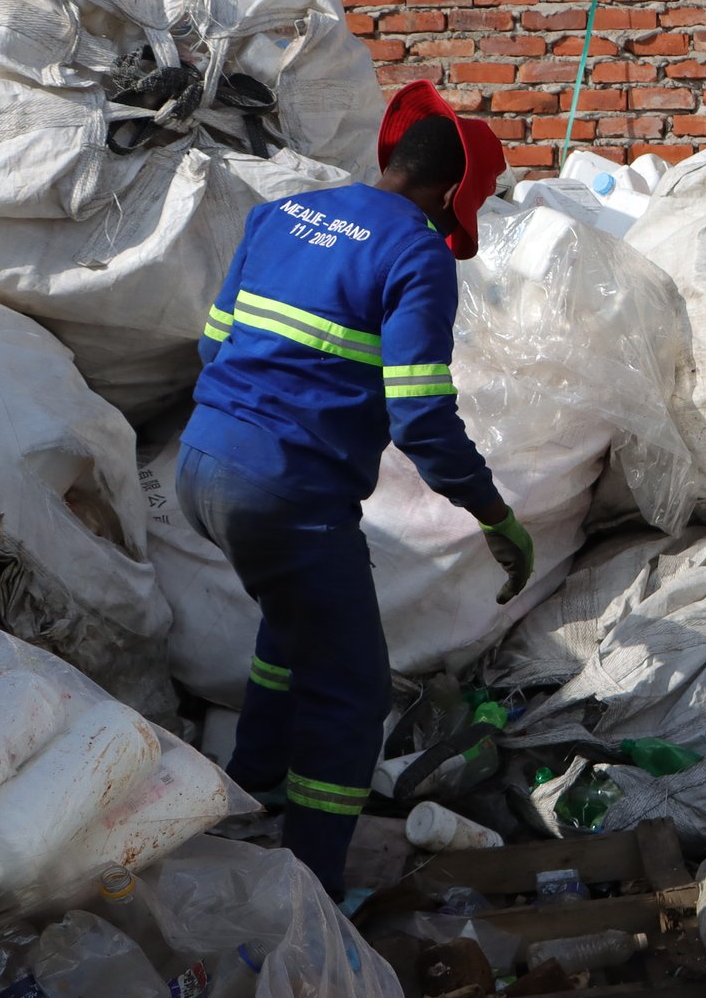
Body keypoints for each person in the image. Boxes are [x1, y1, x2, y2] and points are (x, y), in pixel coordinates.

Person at [177, 80, 534, 892]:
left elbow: (212, 350)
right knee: (352, 688)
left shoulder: (279, 216)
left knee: (295, 616)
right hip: (284, 495)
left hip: (201, 466)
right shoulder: (416, 255)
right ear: (450, 193)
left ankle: (256, 783)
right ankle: (311, 895)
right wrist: (492, 512)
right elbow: (420, 416)